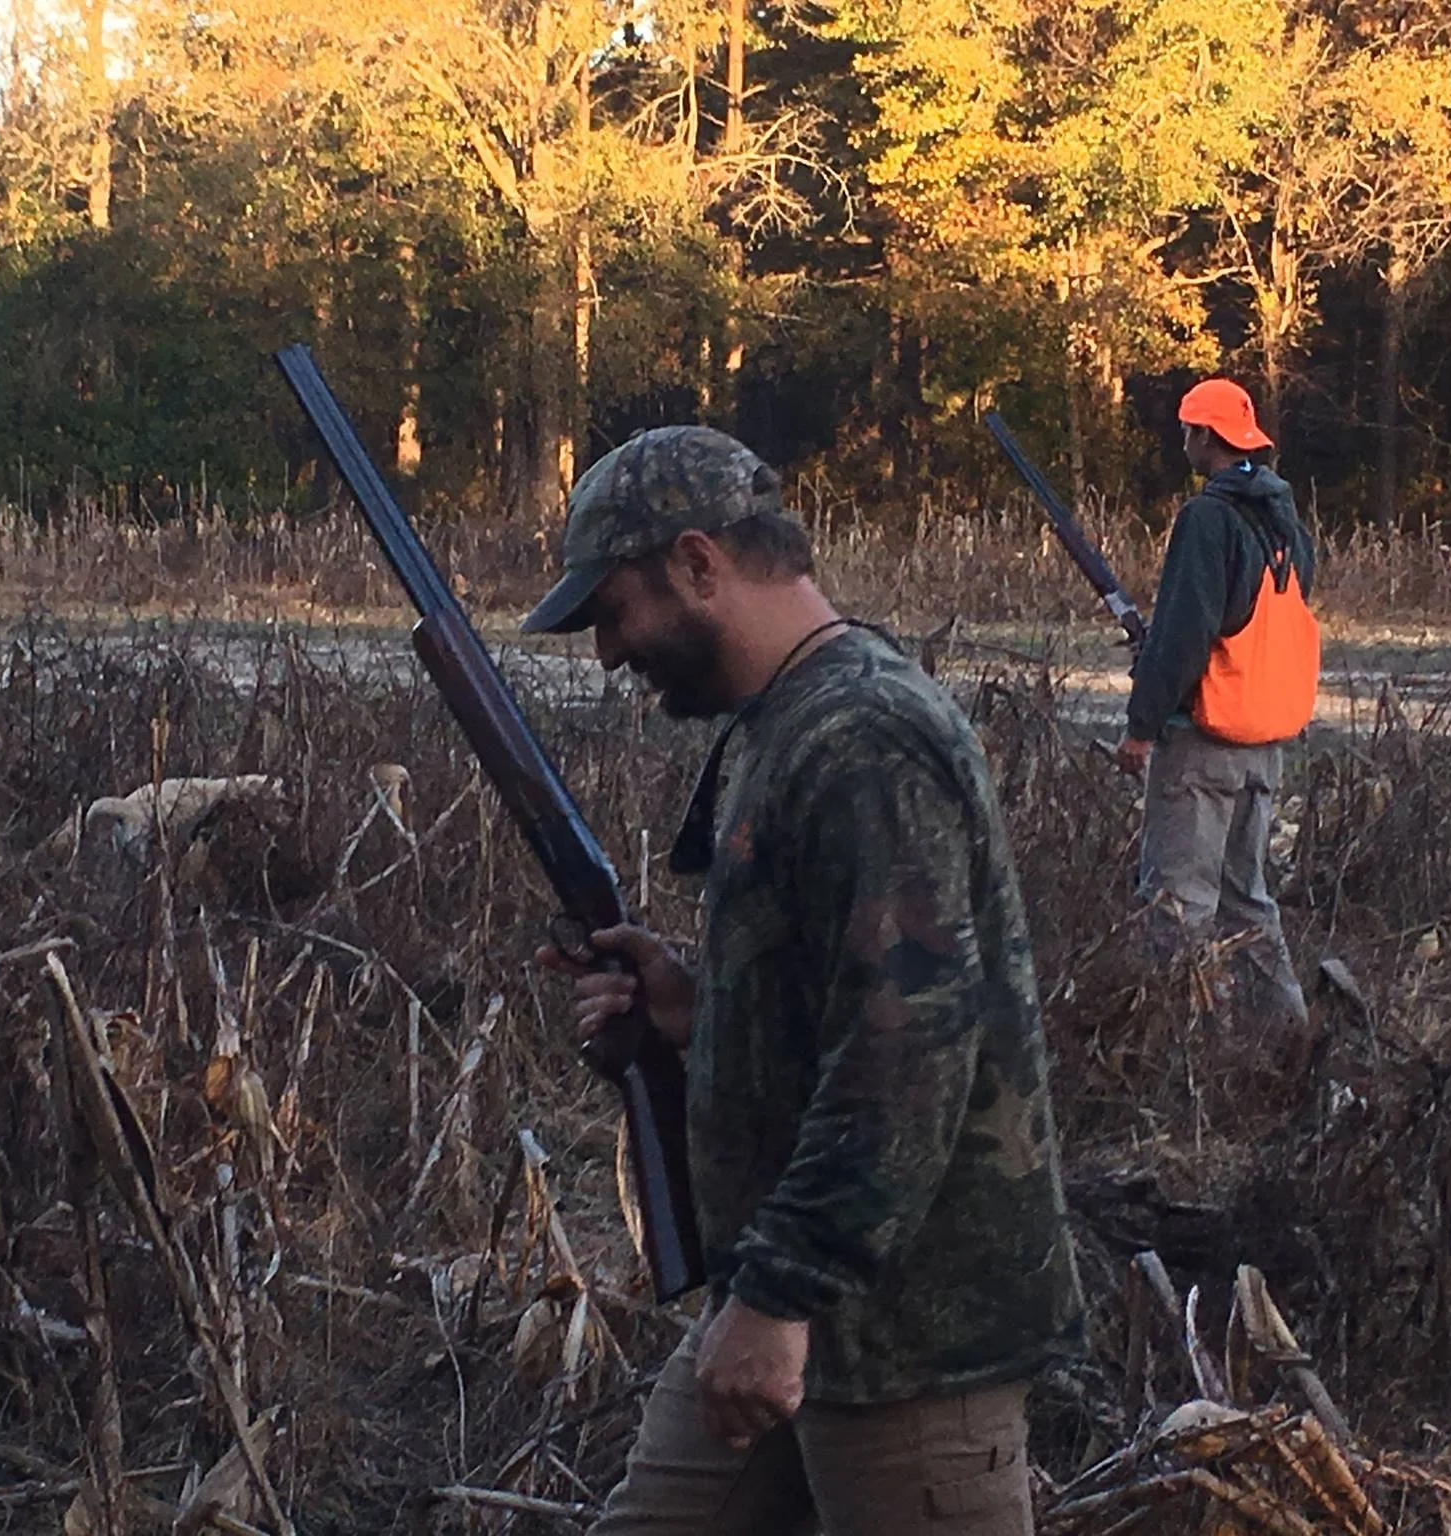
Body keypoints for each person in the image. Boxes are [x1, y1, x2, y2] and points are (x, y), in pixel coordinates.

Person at [524, 426, 1084, 1536]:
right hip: (789, 1292)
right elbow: (839, 1002)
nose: (605, 652)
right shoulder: (786, 722)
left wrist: (779, 1294)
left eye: (613, 610)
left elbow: (908, 1056)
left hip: (903, 1338)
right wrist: (696, 1012)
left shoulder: (860, 737)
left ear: (696, 563)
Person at [1113, 379, 1319, 1035]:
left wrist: (1142, 726)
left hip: (1204, 745)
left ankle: (1162, 1060)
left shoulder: (1208, 517)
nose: (1183, 441)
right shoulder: (1284, 520)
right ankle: (1290, 1043)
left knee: (1177, 906)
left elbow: (1185, 632)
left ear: (1205, 439)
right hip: (1263, 747)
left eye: (1187, 430)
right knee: (1247, 904)